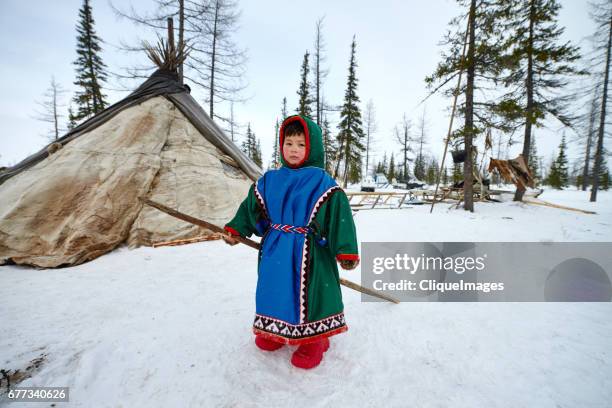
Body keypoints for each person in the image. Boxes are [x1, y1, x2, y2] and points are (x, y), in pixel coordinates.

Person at [220, 114, 359, 369]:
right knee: (274, 290)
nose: (294, 149)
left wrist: (346, 250)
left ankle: (314, 340)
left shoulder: (322, 183)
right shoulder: (269, 180)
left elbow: (339, 215)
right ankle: (275, 330)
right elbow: (253, 207)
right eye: (289, 142)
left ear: (313, 148)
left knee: (312, 295)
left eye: (301, 144)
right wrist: (237, 228)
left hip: (312, 252)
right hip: (275, 251)